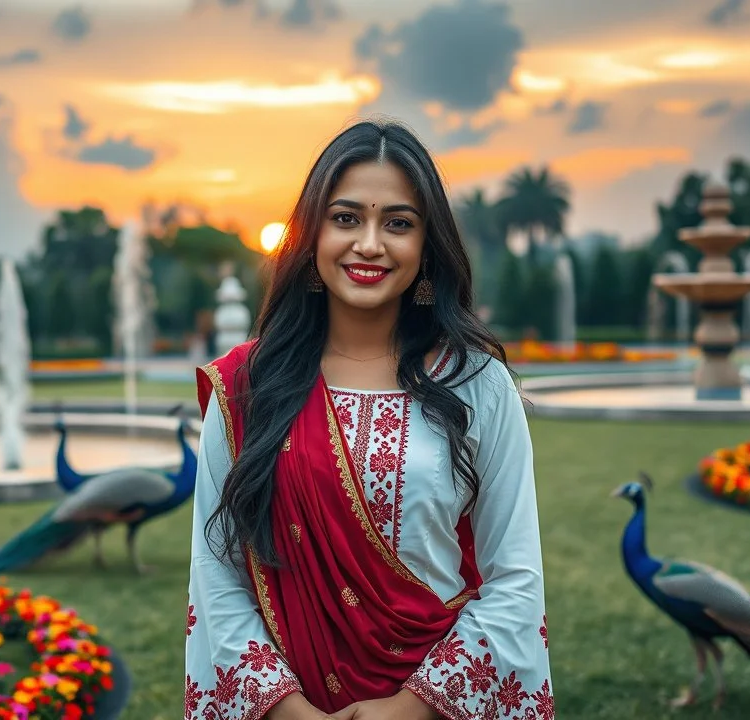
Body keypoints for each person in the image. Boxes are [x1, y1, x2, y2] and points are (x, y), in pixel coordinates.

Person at [184, 119, 552, 720]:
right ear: (311, 236)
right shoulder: (248, 390)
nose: (370, 244)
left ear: (427, 246)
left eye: (398, 223)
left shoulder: (477, 384)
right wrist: (285, 709)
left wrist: (410, 708)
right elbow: (216, 573)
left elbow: (515, 579)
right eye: (346, 218)